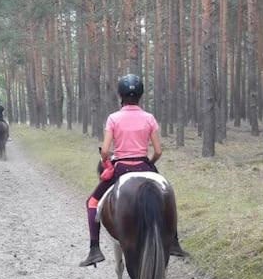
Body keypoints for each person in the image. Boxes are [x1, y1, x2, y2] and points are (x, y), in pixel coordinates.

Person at [79, 74, 187, 267]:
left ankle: (94, 248)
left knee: (92, 202)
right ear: (140, 96)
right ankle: (174, 242)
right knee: (167, 195)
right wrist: (150, 162)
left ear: (120, 95)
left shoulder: (113, 118)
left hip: (121, 167)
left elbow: (104, 150)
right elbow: (159, 150)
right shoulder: (149, 118)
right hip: (144, 164)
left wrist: (106, 160)